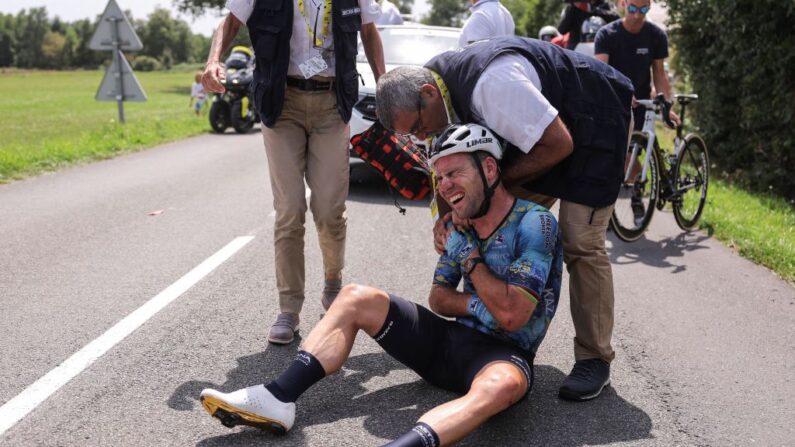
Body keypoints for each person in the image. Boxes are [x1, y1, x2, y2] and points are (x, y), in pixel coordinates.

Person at [199, 123, 564, 446]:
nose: (446, 186)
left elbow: (514, 317)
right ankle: (277, 398)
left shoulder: (535, 224)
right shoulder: (460, 223)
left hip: (502, 357)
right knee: (356, 296)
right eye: (440, 177)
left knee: (503, 385)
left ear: (488, 168)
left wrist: (470, 260)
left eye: (454, 172)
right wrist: (480, 304)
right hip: (446, 345)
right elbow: (438, 298)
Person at [375, 36, 634, 401]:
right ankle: (491, 324)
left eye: (418, 127)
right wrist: (447, 216)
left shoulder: (491, 85)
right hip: (539, 137)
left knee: (580, 242)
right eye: (411, 136)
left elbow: (559, 143)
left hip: (593, 123)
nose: (421, 137)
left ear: (428, 93)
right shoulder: (433, 95)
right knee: (483, 214)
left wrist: (490, 186)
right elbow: (444, 161)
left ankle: (595, 357)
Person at [202, 0, 385, 345]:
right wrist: (214, 61)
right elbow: (229, 23)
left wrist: (384, 83)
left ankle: (333, 280)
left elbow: (370, 31)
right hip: (280, 102)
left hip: (332, 103)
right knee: (290, 210)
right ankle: (288, 309)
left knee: (330, 208)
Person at [594, 0, 679, 129]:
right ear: (624, 4)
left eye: (643, 10)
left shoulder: (657, 36)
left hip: (641, 105)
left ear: (649, 6)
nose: (637, 15)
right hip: (614, 104)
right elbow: (601, 73)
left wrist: (666, 108)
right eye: (633, 9)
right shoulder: (606, 35)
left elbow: (659, 75)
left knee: (640, 145)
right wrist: (622, 92)